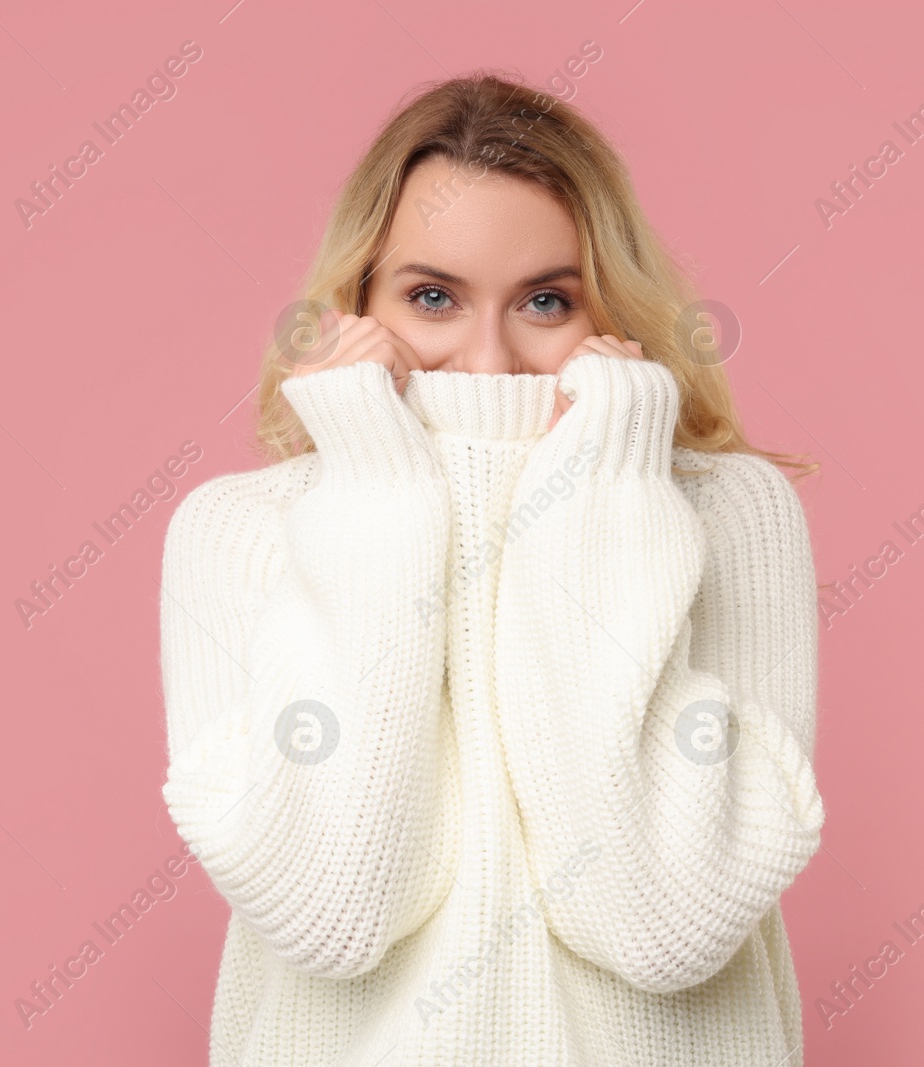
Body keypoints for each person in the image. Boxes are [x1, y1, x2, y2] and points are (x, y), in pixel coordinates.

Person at [159, 70, 825, 1067]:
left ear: (609, 307)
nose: (486, 363)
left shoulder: (725, 515)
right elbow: (333, 911)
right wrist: (375, 490)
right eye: (432, 296)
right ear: (356, 303)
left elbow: (659, 922)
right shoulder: (239, 531)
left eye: (545, 301)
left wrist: (602, 495)